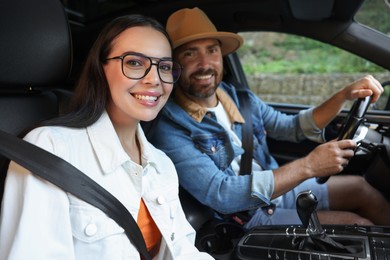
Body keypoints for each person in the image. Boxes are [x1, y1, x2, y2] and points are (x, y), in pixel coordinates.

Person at [146, 7, 390, 230]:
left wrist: (343, 96)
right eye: (190, 54)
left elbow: (292, 127)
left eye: (212, 50)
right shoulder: (170, 126)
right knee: (359, 225)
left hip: (278, 191)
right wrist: (308, 166)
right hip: (244, 217)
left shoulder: (240, 98)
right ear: (172, 65)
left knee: (362, 189)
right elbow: (221, 194)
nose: (205, 64)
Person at [0, 14, 212, 260]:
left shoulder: (162, 164)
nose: (154, 79)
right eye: (134, 63)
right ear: (100, 69)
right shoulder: (50, 148)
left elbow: (182, 253)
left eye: (164, 66)